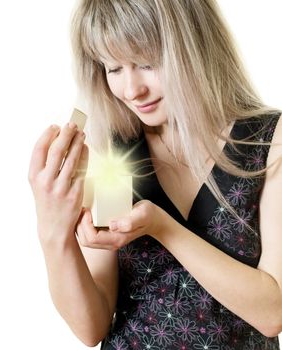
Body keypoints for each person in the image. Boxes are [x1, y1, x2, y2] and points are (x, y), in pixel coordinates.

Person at [28, 0, 282, 349]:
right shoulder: (113, 150)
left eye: (147, 63)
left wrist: (162, 228)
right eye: (114, 68)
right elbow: (92, 327)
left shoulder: (268, 140)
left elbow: (272, 312)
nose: (132, 90)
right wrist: (53, 231)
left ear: (194, 45)